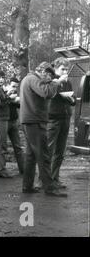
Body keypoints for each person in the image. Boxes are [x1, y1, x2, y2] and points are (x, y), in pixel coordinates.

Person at [20, 61, 68, 197]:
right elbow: (46, 92)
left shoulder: (28, 79)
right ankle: (50, 188)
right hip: (35, 121)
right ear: (44, 73)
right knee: (44, 155)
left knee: (31, 156)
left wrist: (53, 82)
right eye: (49, 77)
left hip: (30, 120)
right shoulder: (33, 79)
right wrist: (57, 82)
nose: (49, 80)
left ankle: (27, 186)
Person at [48, 57, 75, 189]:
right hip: (53, 118)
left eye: (67, 69)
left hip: (66, 117)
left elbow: (73, 98)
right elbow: (49, 95)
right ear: (55, 68)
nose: (65, 71)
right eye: (62, 69)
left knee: (60, 151)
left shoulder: (68, 82)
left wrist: (72, 99)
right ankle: (44, 180)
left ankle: (54, 178)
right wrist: (58, 82)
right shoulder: (51, 80)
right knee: (49, 149)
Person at [5, 77, 24, 174]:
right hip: (4, 121)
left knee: (18, 146)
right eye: (13, 86)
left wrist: (18, 102)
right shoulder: (1, 92)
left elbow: (18, 106)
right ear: (7, 84)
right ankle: (1, 169)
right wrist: (8, 98)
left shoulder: (14, 93)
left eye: (16, 87)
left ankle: (23, 169)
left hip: (13, 121)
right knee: (2, 146)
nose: (14, 88)